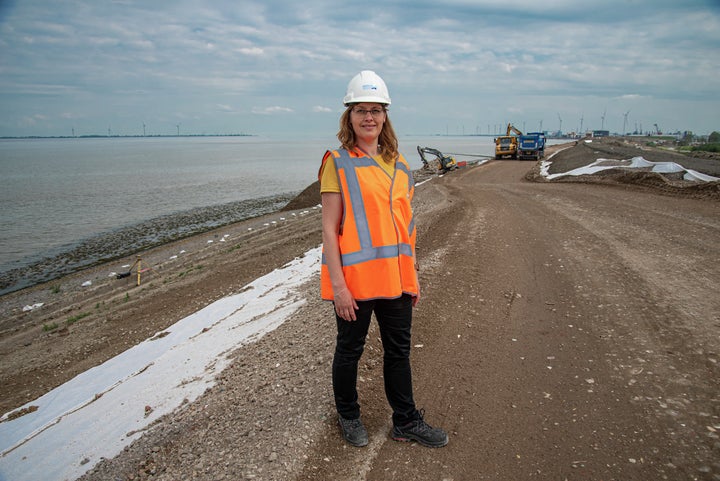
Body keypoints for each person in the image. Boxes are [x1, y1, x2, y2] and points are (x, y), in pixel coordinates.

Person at [318, 70, 448, 448]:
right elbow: (329, 230)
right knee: (350, 351)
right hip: (356, 284)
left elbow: (406, 230)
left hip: (395, 281)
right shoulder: (337, 162)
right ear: (349, 116)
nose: (369, 117)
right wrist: (339, 287)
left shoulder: (401, 165)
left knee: (398, 352)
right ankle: (349, 415)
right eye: (361, 110)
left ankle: (405, 421)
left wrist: (413, 277)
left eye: (376, 110)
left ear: (386, 115)